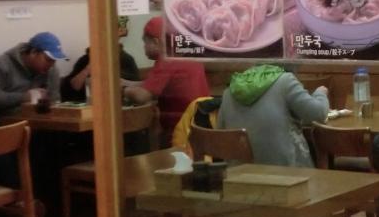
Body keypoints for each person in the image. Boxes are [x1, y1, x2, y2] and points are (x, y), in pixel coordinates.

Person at [217, 65, 328, 168]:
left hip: (238, 175)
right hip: (287, 174)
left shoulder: (231, 89)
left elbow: (221, 131)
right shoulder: (285, 80)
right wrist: (320, 93)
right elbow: (318, 114)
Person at [122, 16, 210, 147]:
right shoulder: (182, 54)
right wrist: (126, 83)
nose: (144, 47)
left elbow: (142, 96)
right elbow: (150, 86)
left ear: (156, 42)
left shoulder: (166, 60)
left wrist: (122, 90)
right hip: (200, 129)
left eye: (145, 42)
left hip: (180, 133)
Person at [0, 32, 65, 127]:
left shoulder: (51, 70)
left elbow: (55, 101)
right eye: (48, 59)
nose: (51, 65)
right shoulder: (1, 65)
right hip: (1, 126)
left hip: (36, 124)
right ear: (33, 52)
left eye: (54, 61)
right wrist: (24, 97)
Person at [60, 17, 141, 102]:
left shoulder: (127, 60)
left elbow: (137, 89)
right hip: (90, 105)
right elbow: (73, 87)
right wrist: (87, 69)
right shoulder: (86, 59)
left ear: (119, 33)